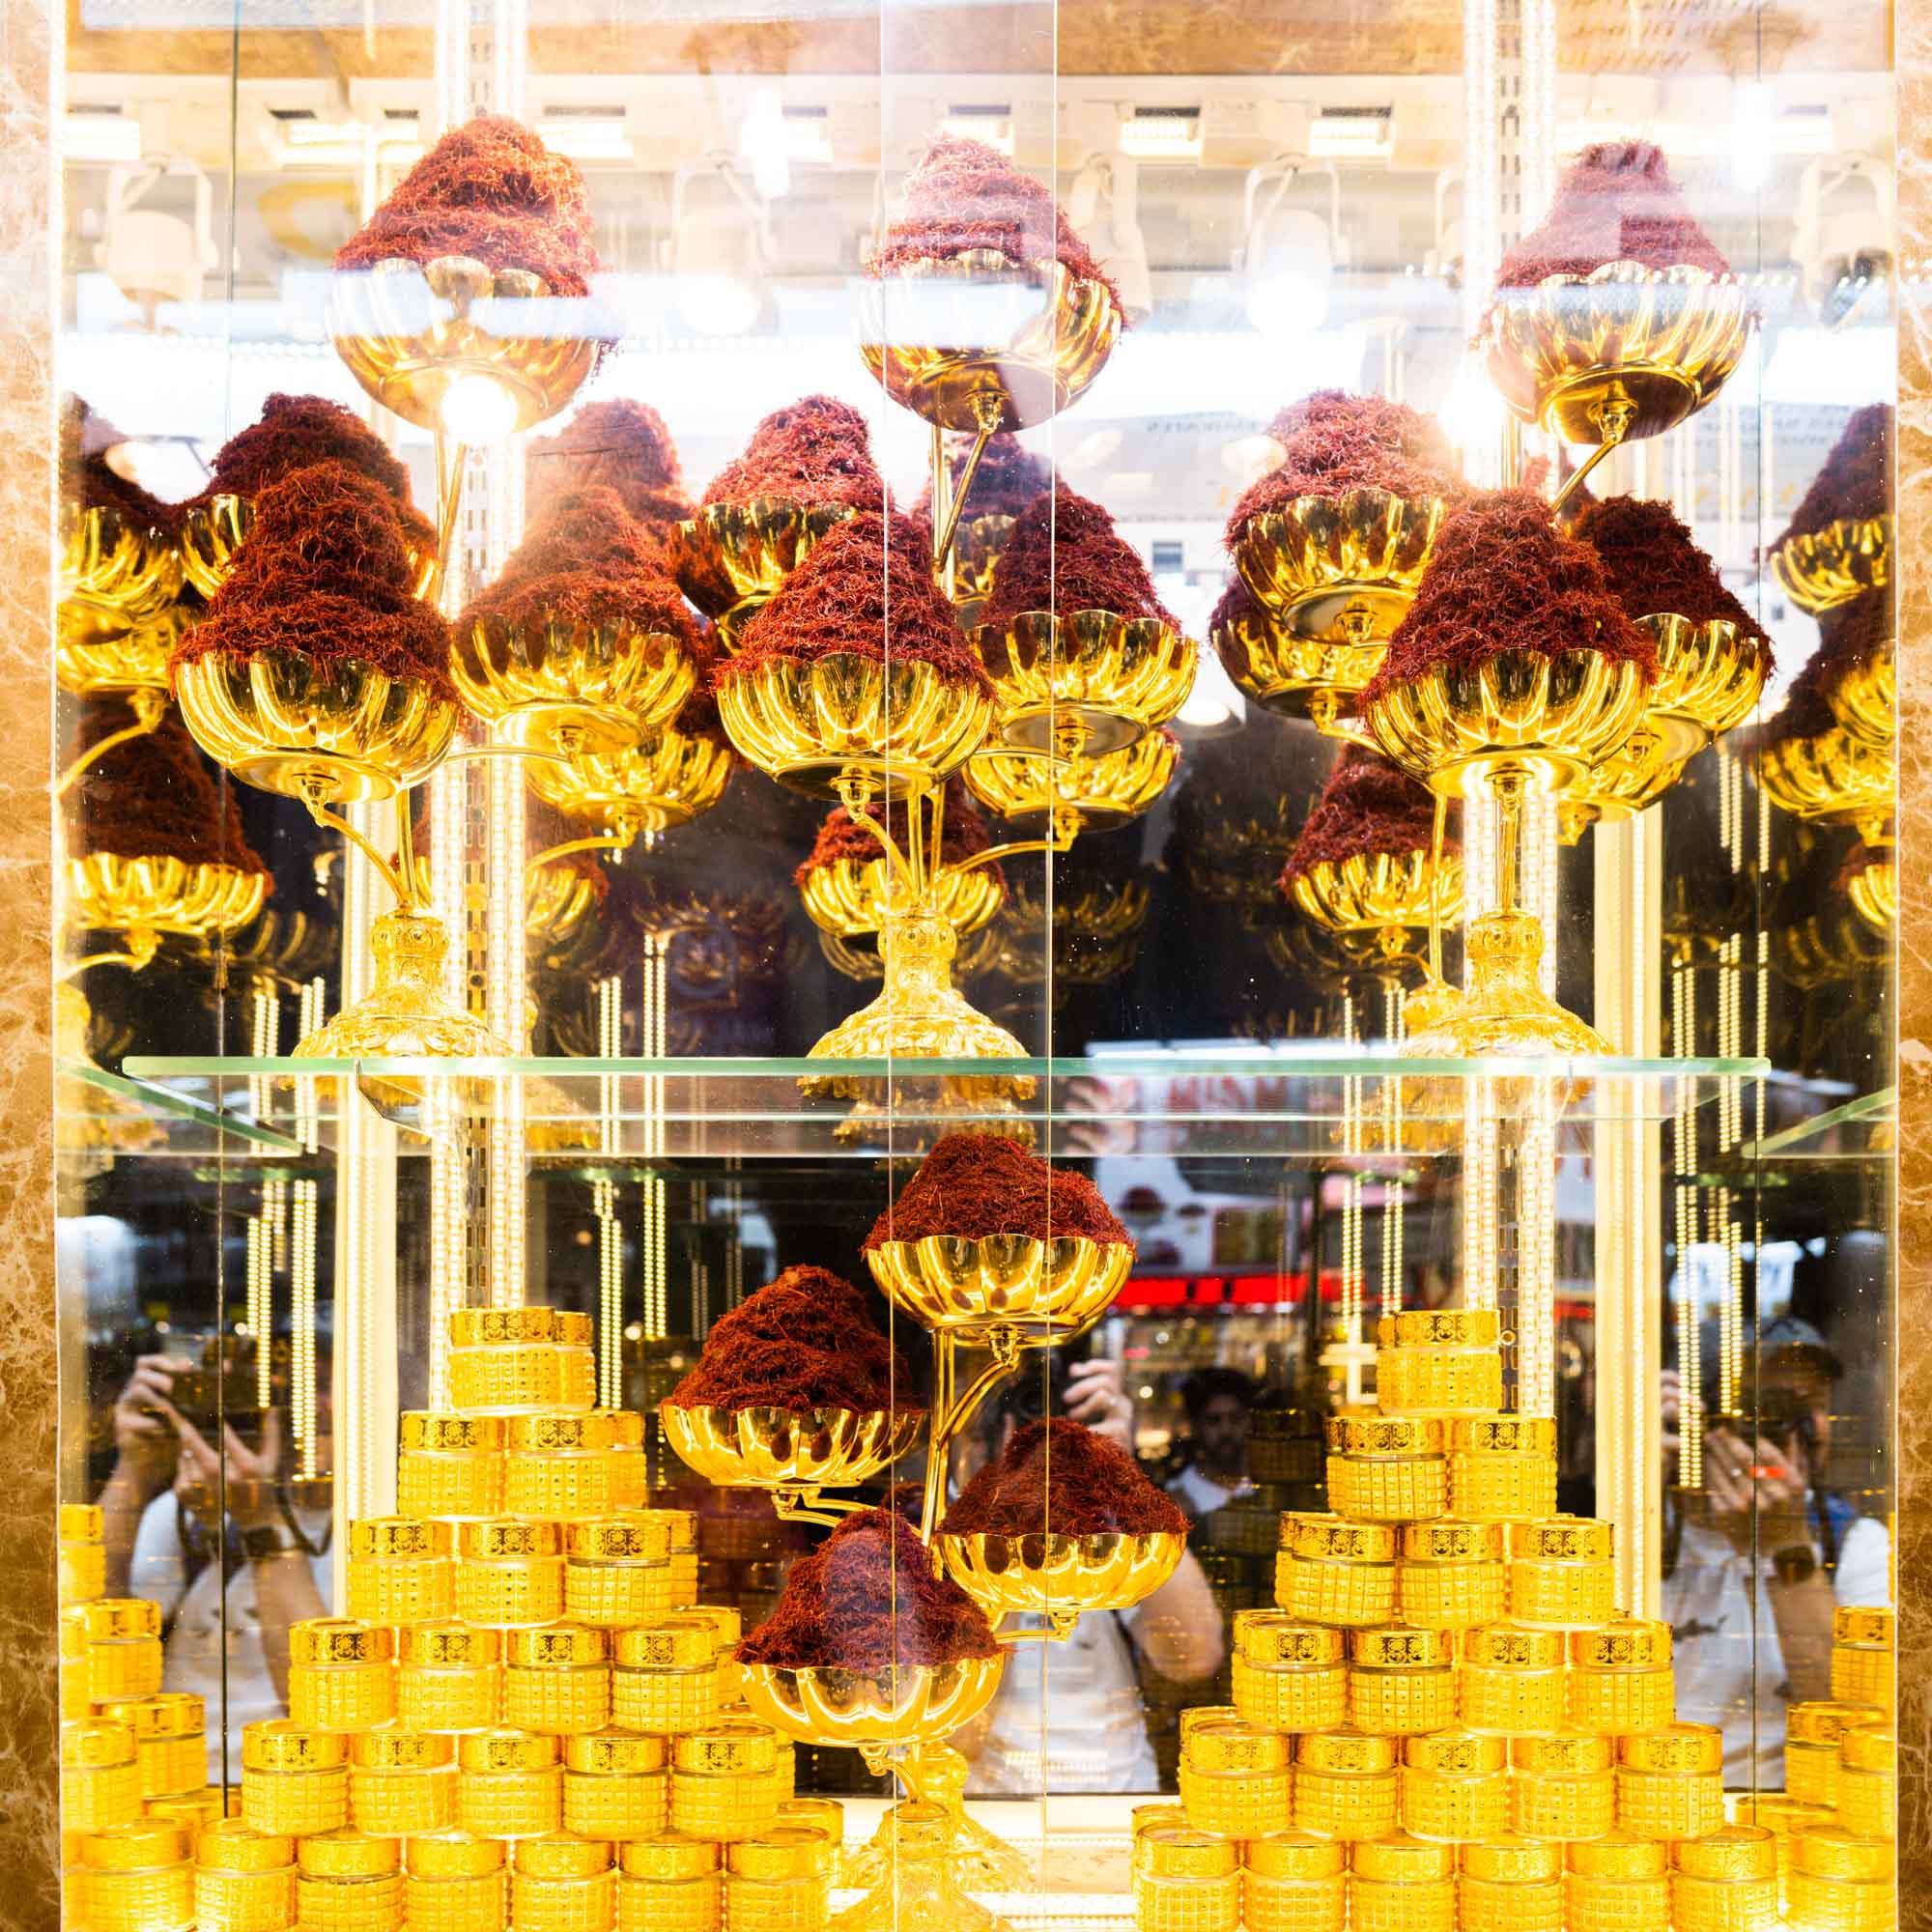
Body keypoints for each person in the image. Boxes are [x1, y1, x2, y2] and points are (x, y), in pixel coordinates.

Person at [952, 1352, 1226, 1795]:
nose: (1035, 1433)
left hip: (1114, 1800)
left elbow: (1195, 1658)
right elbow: (955, 1736)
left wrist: (1119, 1478)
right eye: (1013, 1407)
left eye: (1048, 1413)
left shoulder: (1104, 1521)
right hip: (984, 1802)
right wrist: (1002, 1511)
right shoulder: (935, 1525)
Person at [1662, 1318, 1889, 1784]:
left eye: (1813, 1407)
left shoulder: (1852, 1542)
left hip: (1793, 1814)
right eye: (1763, 1407)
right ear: (1695, 1420)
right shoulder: (1641, 1534)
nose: (1793, 1427)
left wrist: (1787, 1547)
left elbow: (1865, 1727)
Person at [99, 1352, 333, 1782]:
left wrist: (262, 1522)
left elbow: (326, 1705)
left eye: (322, 1385)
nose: (308, 1406)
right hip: (167, 1784)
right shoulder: (185, 1507)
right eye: (289, 1390)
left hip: (291, 1786)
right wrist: (133, 1466)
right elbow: (91, 1635)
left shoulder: (371, 1526)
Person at [1165, 1367, 1256, 1519]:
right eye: (1213, 1420)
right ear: (1196, 1425)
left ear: (1249, 1421)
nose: (1225, 1430)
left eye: (1235, 1419)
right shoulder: (1177, 1497)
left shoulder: (1268, 1488)